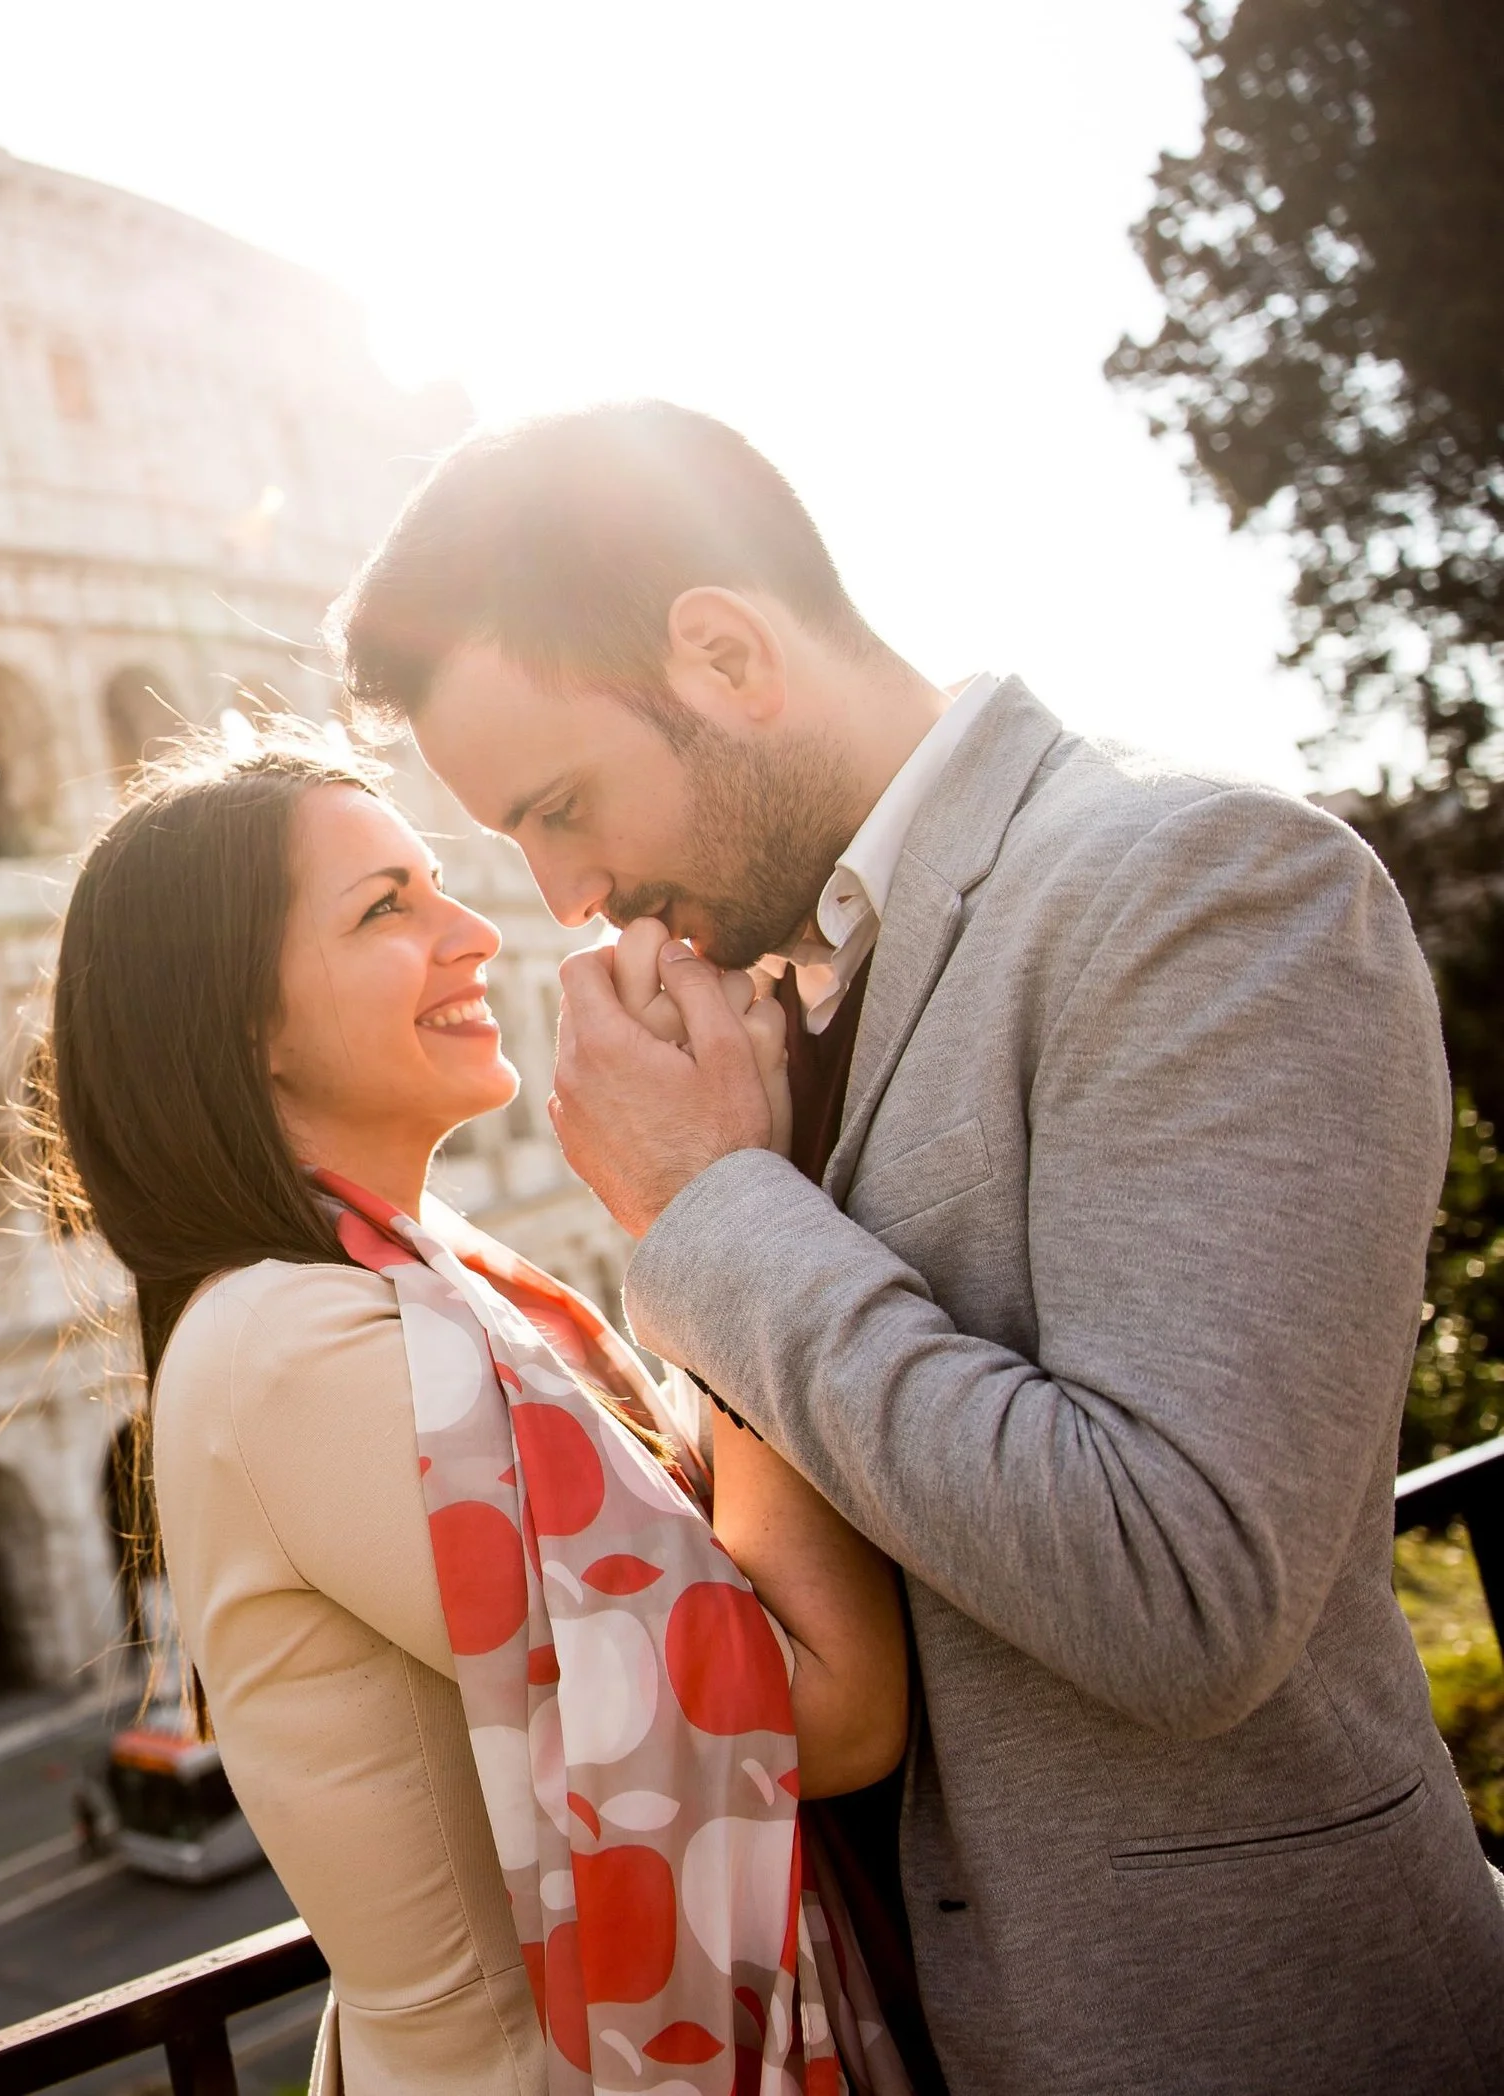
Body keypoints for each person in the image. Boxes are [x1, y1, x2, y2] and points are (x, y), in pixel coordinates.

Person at [332, 399, 1504, 2092]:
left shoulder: (1209, 887)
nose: (567, 893)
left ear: (728, 655)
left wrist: (711, 1211)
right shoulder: (758, 1002)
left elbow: (1187, 1596)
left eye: (565, 803)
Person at [36, 726, 917, 2092]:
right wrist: (723, 1205)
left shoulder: (415, 1287)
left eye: (436, 886)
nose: (474, 935)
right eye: (388, 908)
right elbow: (825, 1710)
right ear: (240, 1024)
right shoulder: (293, 1347)